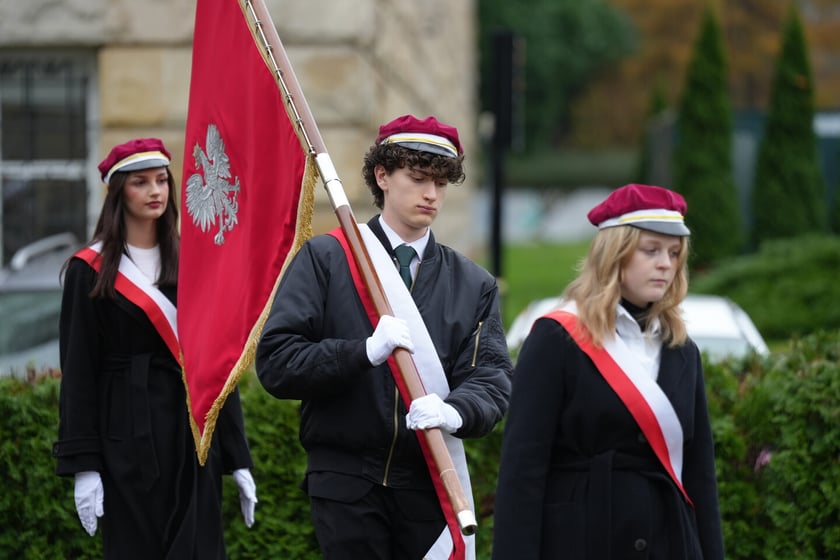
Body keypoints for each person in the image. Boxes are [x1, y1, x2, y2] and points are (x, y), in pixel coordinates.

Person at [256, 114, 513, 560]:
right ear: (382, 176)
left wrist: (454, 411)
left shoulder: (474, 284)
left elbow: (491, 379)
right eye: (418, 178)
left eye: (441, 183)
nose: (431, 195)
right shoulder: (327, 257)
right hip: (346, 482)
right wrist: (360, 353)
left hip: (428, 484)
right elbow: (277, 362)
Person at [492, 184, 725, 559]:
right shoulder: (556, 338)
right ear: (614, 254)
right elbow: (522, 472)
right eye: (651, 250)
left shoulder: (682, 350)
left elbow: (700, 476)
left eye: (674, 253)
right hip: (582, 540)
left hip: (669, 542)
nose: (665, 264)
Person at [52, 137, 258, 559]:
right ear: (118, 192)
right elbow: (78, 373)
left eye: (162, 180)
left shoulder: (193, 262)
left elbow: (216, 364)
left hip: (192, 435)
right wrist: (84, 466)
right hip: (126, 436)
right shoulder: (87, 270)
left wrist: (237, 456)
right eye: (140, 182)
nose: (155, 191)